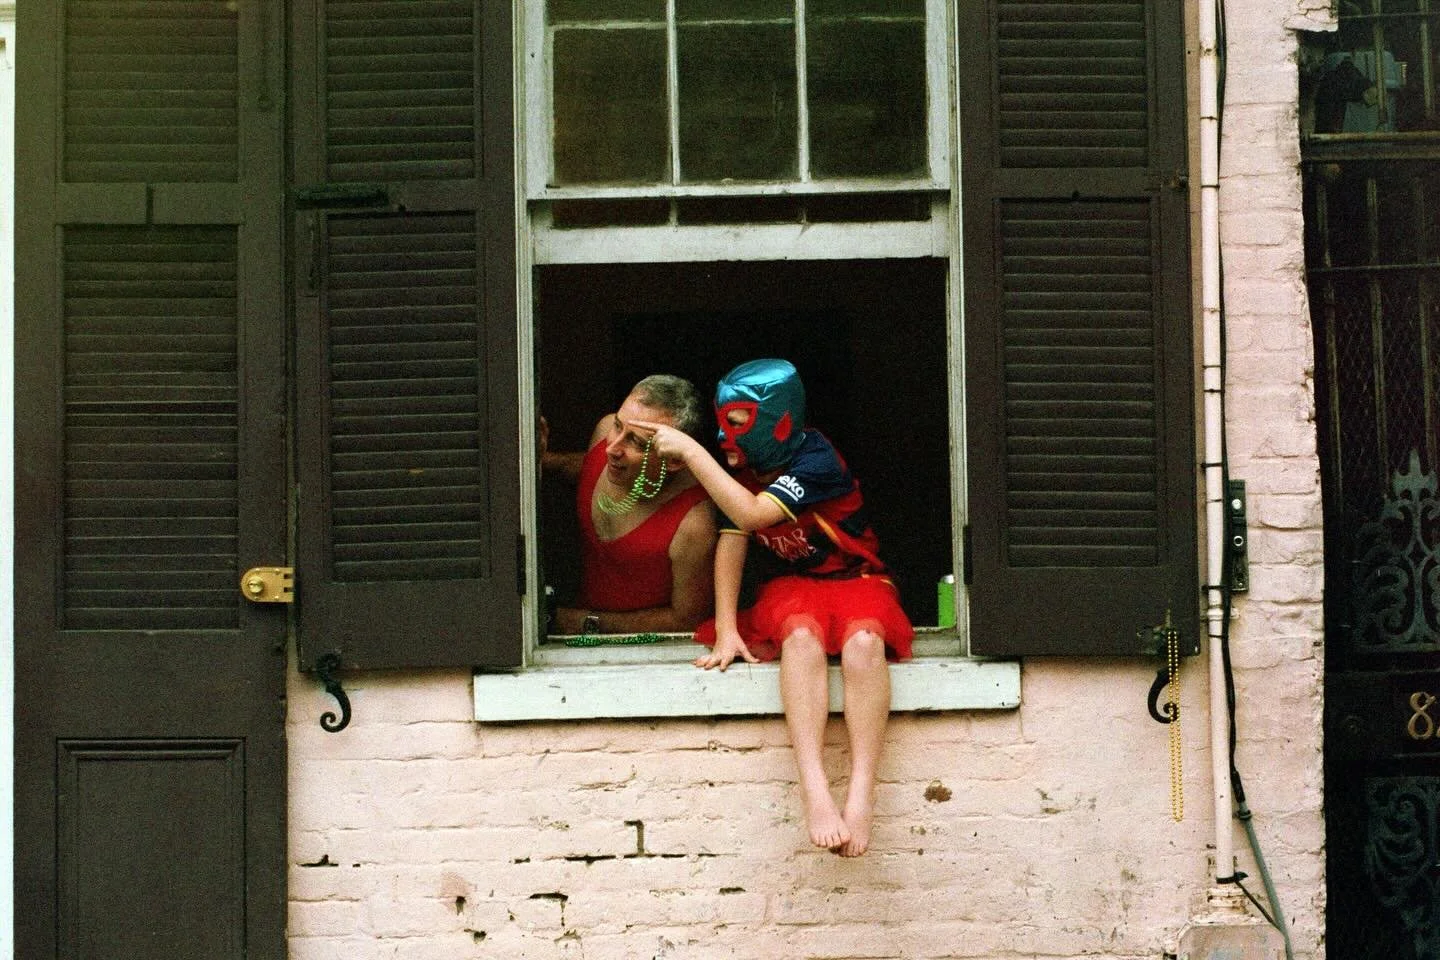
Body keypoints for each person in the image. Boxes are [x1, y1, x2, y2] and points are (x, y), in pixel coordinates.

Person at [637, 358, 913, 857]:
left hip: (858, 582)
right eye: (723, 421)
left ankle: (861, 795)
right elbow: (733, 539)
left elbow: (754, 512)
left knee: (865, 647)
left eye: (737, 421)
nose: (725, 434)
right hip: (799, 588)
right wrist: (725, 628)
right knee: (800, 641)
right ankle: (814, 789)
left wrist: (695, 455)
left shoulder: (816, 459)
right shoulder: (743, 469)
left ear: (778, 419)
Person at [541, 374, 718, 636]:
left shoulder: (694, 523)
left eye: (636, 441)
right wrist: (542, 460)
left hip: (636, 649)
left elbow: (687, 621)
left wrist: (586, 623)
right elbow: (589, 467)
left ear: (675, 460)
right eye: (618, 425)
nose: (612, 447)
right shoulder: (604, 434)